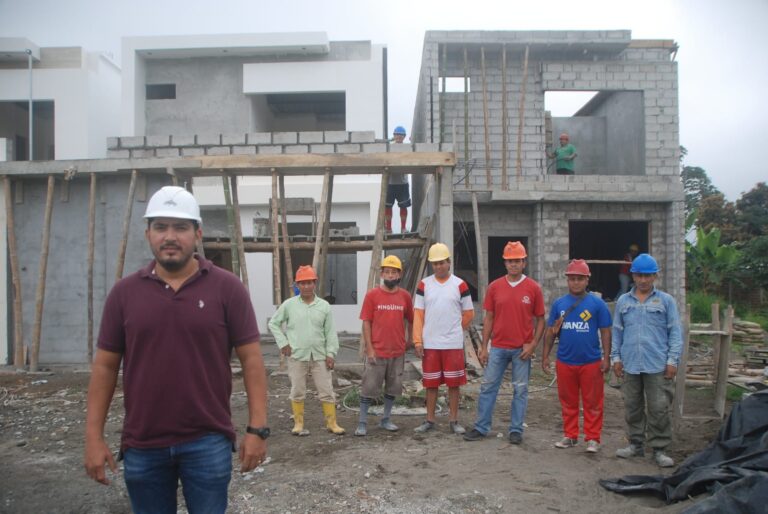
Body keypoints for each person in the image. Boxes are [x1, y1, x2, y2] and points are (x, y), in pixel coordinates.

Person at [84, 186, 268, 514]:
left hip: (208, 440)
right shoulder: (124, 294)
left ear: (197, 233)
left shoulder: (227, 289)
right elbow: (105, 367)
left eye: (180, 227)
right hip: (142, 444)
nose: (170, 236)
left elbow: (252, 360)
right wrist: (93, 437)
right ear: (148, 233)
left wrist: (257, 429)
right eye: (161, 227)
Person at [463, 241, 545, 444]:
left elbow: (541, 319)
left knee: (520, 390)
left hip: (522, 350)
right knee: (488, 387)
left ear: (524, 262)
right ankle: (481, 427)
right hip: (498, 347)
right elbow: (489, 317)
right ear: (505, 263)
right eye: (510, 261)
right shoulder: (495, 287)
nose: (513, 264)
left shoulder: (533, 288)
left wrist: (533, 344)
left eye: (517, 260)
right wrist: (484, 347)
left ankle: (516, 430)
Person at [611, 253, 682, 467]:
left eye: (648, 276)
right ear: (633, 275)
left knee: (659, 407)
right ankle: (636, 444)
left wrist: (672, 361)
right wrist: (616, 358)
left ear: (655, 276)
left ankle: (659, 448)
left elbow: (675, 333)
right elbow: (617, 332)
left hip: (657, 364)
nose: (643, 280)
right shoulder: (624, 301)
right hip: (630, 363)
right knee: (632, 405)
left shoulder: (666, 301)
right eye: (639, 275)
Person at [541, 259, 612, 453]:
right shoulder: (559, 304)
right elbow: (550, 331)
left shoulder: (597, 305)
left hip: (591, 361)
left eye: (580, 279)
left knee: (593, 402)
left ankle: (592, 438)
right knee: (568, 401)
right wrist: (545, 356)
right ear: (567, 280)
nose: (576, 283)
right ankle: (570, 435)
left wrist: (606, 358)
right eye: (572, 279)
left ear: (587, 280)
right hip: (565, 361)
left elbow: (606, 331)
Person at [269, 265, 345, 436]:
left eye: (309, 282)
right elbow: (273, 323)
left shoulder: (324, 306)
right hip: (297, 355)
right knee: (297, 390)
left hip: (320, 356)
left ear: (314, 283)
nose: (306, 286)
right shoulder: (289, 305)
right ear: (297, 285)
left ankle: (332, 423)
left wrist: (331, 353)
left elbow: (330, 332)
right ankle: (298, 424)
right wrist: (283, 343)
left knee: (326, 390)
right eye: (302, 283)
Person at [412, 243, 474, 434]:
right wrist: (418, 340)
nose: (439, 266)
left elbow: (469, 313)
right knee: (431, 384)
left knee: (454, 385)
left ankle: (454, 420)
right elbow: (418, 314)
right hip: (430, 343)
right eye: (435, 263)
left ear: (449, 262)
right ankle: (429, 420)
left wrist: (454, 329)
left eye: (442, 262)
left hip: (452, 344)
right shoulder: (424, 284)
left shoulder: (460, 285)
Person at [355, 255, 414, 436]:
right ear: (381, 274)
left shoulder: (405, 296)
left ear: (399, 275)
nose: (390, 275)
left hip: (397, 352)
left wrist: (410, 340)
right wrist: (369, 348)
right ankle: (362, 422)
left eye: (393, 272)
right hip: (377, 352)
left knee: (393, 387)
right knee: (369, 387)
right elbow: (366, 322)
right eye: (387, 272)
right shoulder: (372, 295)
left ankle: (386, 419)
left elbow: (411, 320)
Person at [385, 125, 412, 233]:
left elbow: (412, 156)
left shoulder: (407, 149)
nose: (399, 137)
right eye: (397, 135)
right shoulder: (389, 148)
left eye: (401, 135)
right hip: (390, 183)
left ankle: (403, 228)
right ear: (394, 136)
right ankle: (388, 228)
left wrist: (412, 143)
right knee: (387, 206)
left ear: (404, 137)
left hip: (402, 183)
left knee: (403, 206)